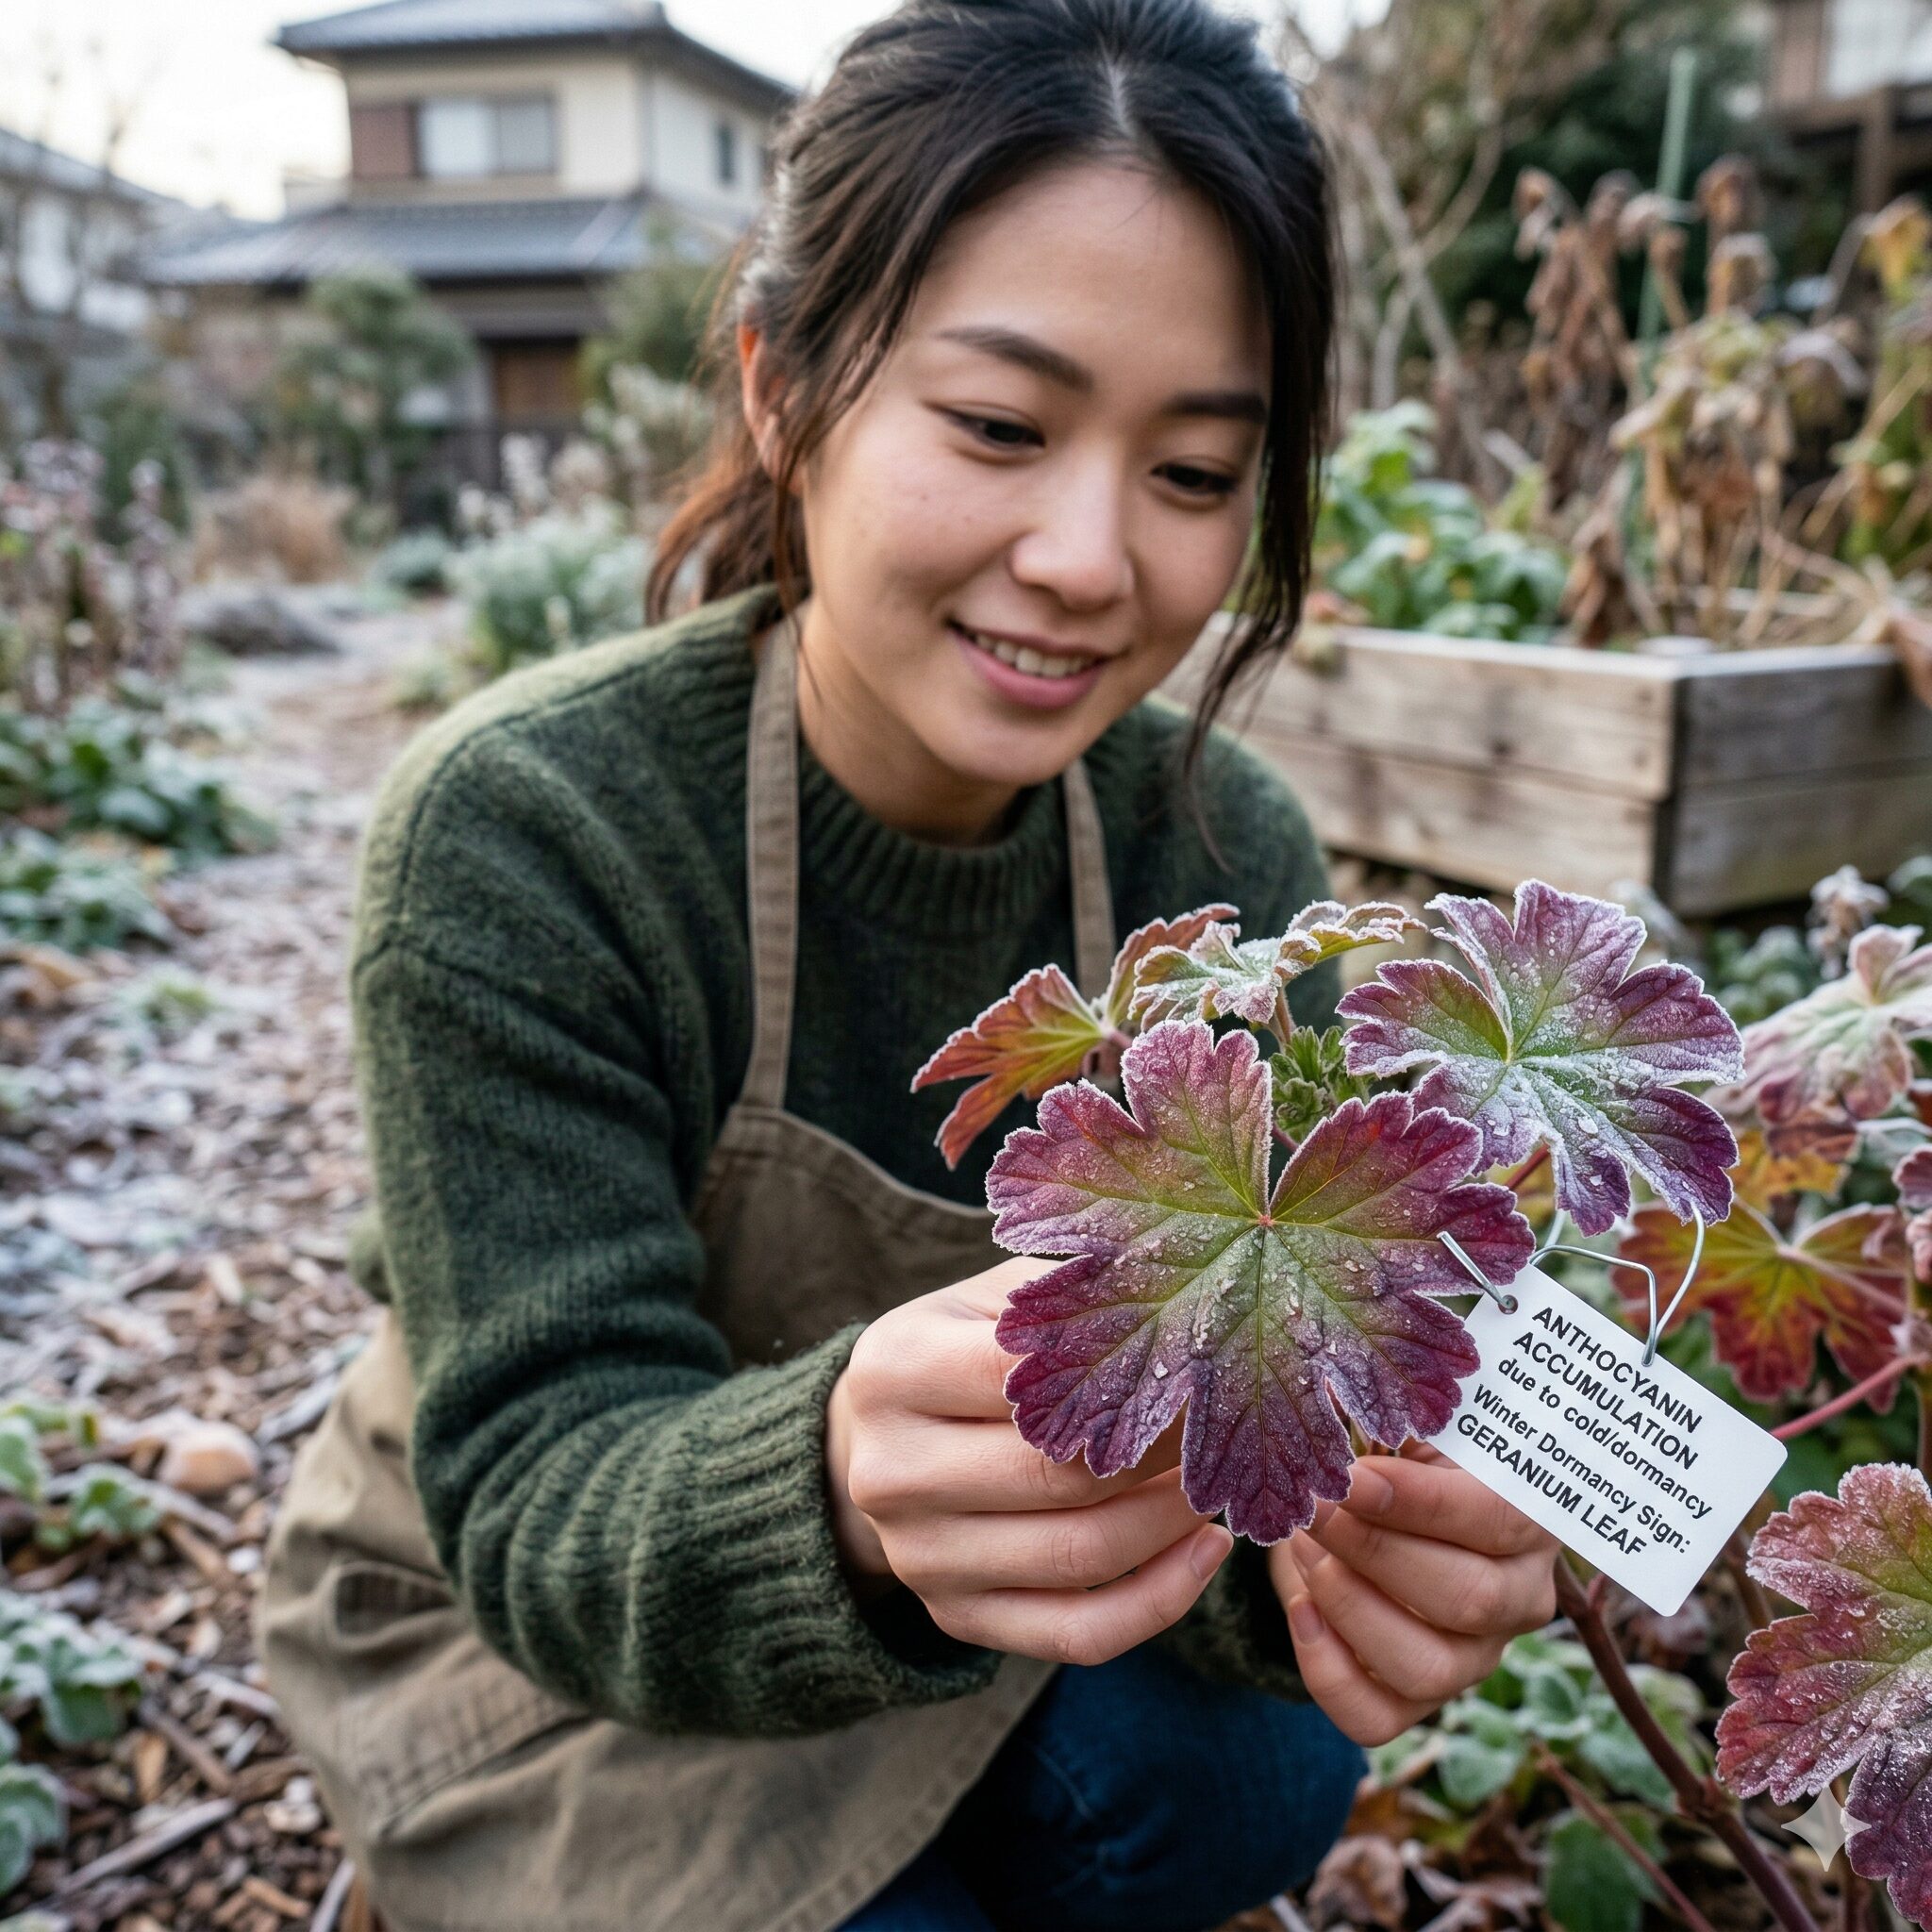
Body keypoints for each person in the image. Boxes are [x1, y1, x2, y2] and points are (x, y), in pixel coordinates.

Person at [259, 2, 1561, 1927]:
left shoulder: (1228, 856)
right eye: (999, 428)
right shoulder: (529, 831)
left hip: (1000, 1620)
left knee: (1255, 1776)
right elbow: (536, 1491)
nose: (1087, 558)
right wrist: (838, 1494)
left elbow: (1240, 1453)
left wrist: (1345, 1553)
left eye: (1197, 474)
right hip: (537, 1644)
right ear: (784, 386)